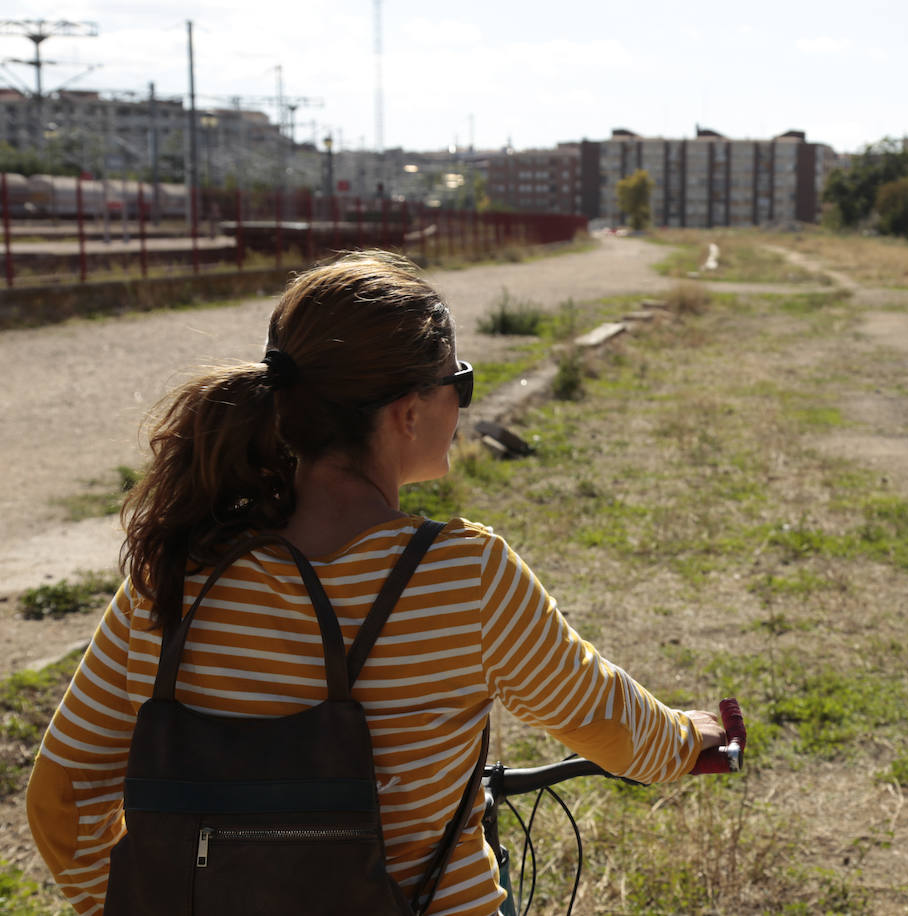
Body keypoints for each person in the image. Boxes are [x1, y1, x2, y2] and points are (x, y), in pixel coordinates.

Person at [26, 250, 725, 916]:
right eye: (461, 382)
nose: (463, 406)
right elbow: (608, 722)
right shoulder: (464, 576)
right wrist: (695, 737)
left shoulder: (176, 570)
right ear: (408, 411)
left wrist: (134, 901)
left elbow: (60, 797)